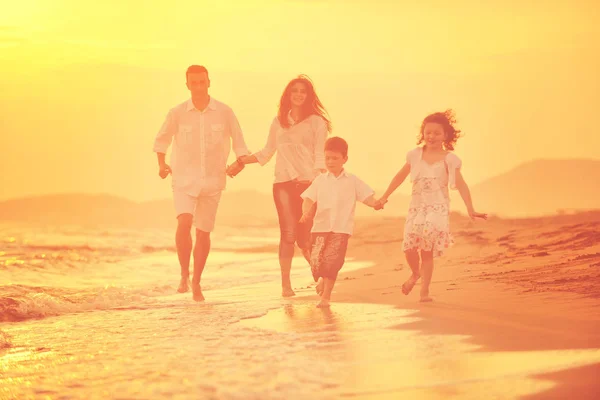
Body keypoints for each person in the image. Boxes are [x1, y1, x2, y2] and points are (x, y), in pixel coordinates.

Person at [153, 65, 250, 302]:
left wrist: (239, 164)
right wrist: (162, 165)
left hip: (213, 180)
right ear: (187, 85)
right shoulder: (177, 113)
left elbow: (240, 144)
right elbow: (161, 141)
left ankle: (196, 281)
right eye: (193, 83)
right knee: (184, 221)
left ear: (209, 82)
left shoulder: (225, 112)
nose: (198, 86)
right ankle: (184, 274)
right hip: (184, 179)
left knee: (203, 232)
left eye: (201, 82)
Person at [231, 75, 331, 297]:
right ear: (288, 94)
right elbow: (266, 152)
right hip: (283, 184)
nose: (298, 94)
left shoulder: (317, 122)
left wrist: (319, 185)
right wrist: (240, 162)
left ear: (308, 96)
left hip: (309, 184)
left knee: (306, 238)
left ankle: (321, 277)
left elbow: (319, 155)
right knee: (287, 233)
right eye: (294, 90)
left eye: (302, 91)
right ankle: (285, 285)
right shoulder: (278, 122)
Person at [376, 110, 487, 302]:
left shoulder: (449, 159)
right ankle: (415, 274)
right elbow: (400, 176)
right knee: (409, 247)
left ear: (445, 135)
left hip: (437, 208)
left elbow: (460, 184)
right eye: (428, 132)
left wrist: (470, 208)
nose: (432, 136)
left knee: (426, 248)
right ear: (423, 133)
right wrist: (385, 196)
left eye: (437, 133)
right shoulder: (414, 155)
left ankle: (424, 292)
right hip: (416, 208)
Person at [299, 137, 383, 308]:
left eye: (335, 158)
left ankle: (326, 298)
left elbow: (366, 196)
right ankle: (322, 279)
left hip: (341, 228)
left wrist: (375, 203)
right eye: (327, 158)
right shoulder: (320, 180)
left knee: (333, 262)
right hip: (320, 227)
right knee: (317, 261)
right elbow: (308, 198)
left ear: (345, 159)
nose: (330, 161)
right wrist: (306, 214)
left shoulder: (352, 180)